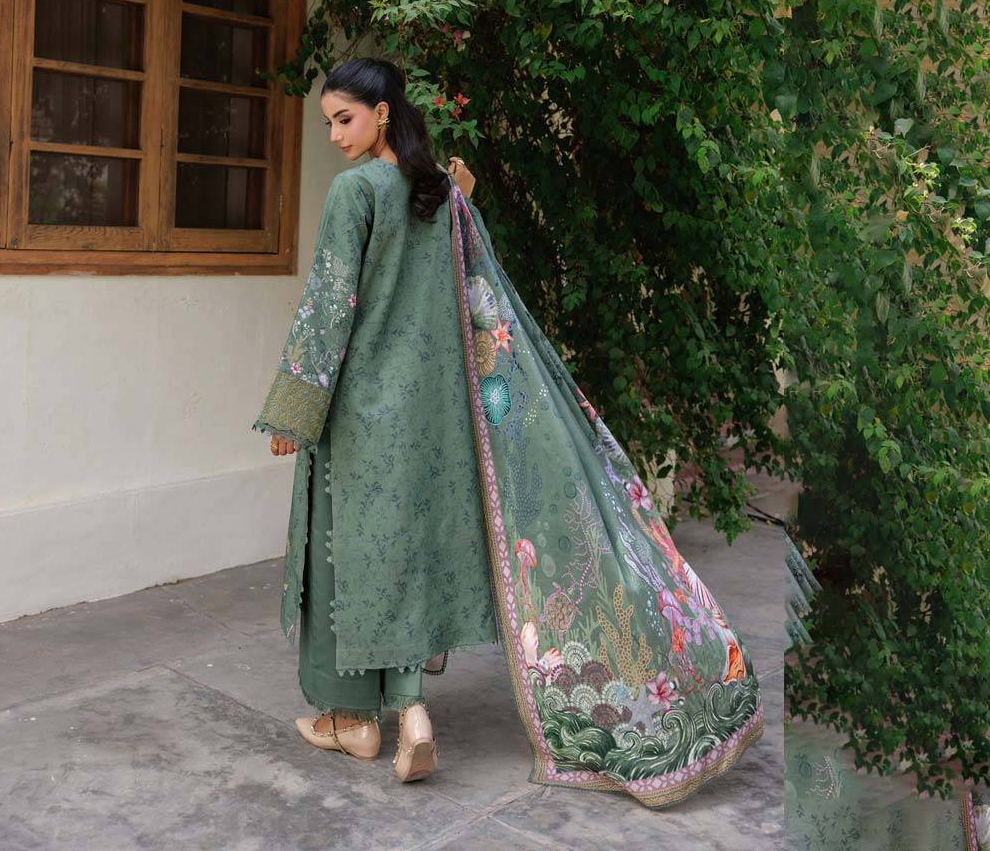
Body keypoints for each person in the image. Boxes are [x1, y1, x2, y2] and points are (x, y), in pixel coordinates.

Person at [253, 56, 765, 804]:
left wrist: (294, 411)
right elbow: (471, 292)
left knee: (350, 556)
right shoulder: (443, 196)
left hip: (362, 410)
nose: (335, 135)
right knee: (409, 552)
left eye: (344, 119)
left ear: (383, 112)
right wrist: (463, 191)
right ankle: (410, 709)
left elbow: (329, 304)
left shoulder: (354, 192)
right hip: (436, 413)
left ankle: (354, 720)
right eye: (329, 122)